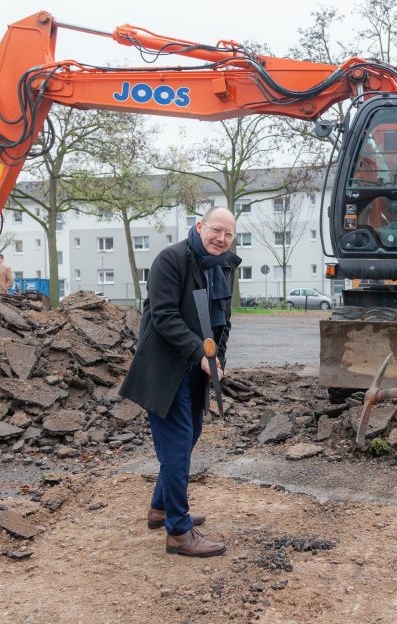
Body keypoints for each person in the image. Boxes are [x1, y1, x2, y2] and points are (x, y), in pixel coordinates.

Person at [119, 207, 241, 558]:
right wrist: (199, 354)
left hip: (197, 370)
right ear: (199, 226)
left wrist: (219, 358)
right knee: (175, 450)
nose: (221, 238)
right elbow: (164, 315)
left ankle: (160, 508)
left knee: (188, 440)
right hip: (166, 369)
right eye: (215, 230)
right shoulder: (170, 260)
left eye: (228, 234)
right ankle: (178, 531)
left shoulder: (224, 266)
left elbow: (223, 321)